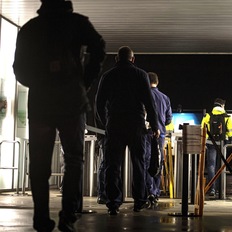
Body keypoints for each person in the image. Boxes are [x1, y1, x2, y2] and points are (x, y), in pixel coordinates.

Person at [12, 0, 105, 231]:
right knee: (74, 159)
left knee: (39, 163)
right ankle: (68, 216)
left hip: (41, 101)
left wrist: (37, 81)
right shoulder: (77, 23)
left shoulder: (31, 28)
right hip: (71, 100)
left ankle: (41, 219)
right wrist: (84, 81)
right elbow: (99, 47)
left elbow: (19, 68)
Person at [95, 46, 160, 215]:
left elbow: (99, 103)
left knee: (113, 165)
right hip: (136, 124)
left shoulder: (108, 75)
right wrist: (154, 125)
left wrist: (105, 123)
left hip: (115, 123)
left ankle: (113, 203)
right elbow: (149, 103)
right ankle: (139, 201)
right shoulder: (141, 75)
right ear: (133, 59)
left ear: (117, 59)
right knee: (138, 163)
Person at [144, 72, 172, 206]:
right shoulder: (165, 98)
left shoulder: (143, 96)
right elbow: (168, 119)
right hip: (160, 135)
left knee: (146, 161)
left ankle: (148, 191)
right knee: (157, 162)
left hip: (146, 133)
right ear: (157, 82)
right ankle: (155, 192)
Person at [201, 98, 232, 197]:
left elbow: (203, 129)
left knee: (211, 166)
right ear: (222, 106)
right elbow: (231, 131)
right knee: (221, 166)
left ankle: (212, 188)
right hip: (223, 143)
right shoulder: (227, 116)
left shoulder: (208, 115)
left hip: (210, 143)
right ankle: (221, 189)